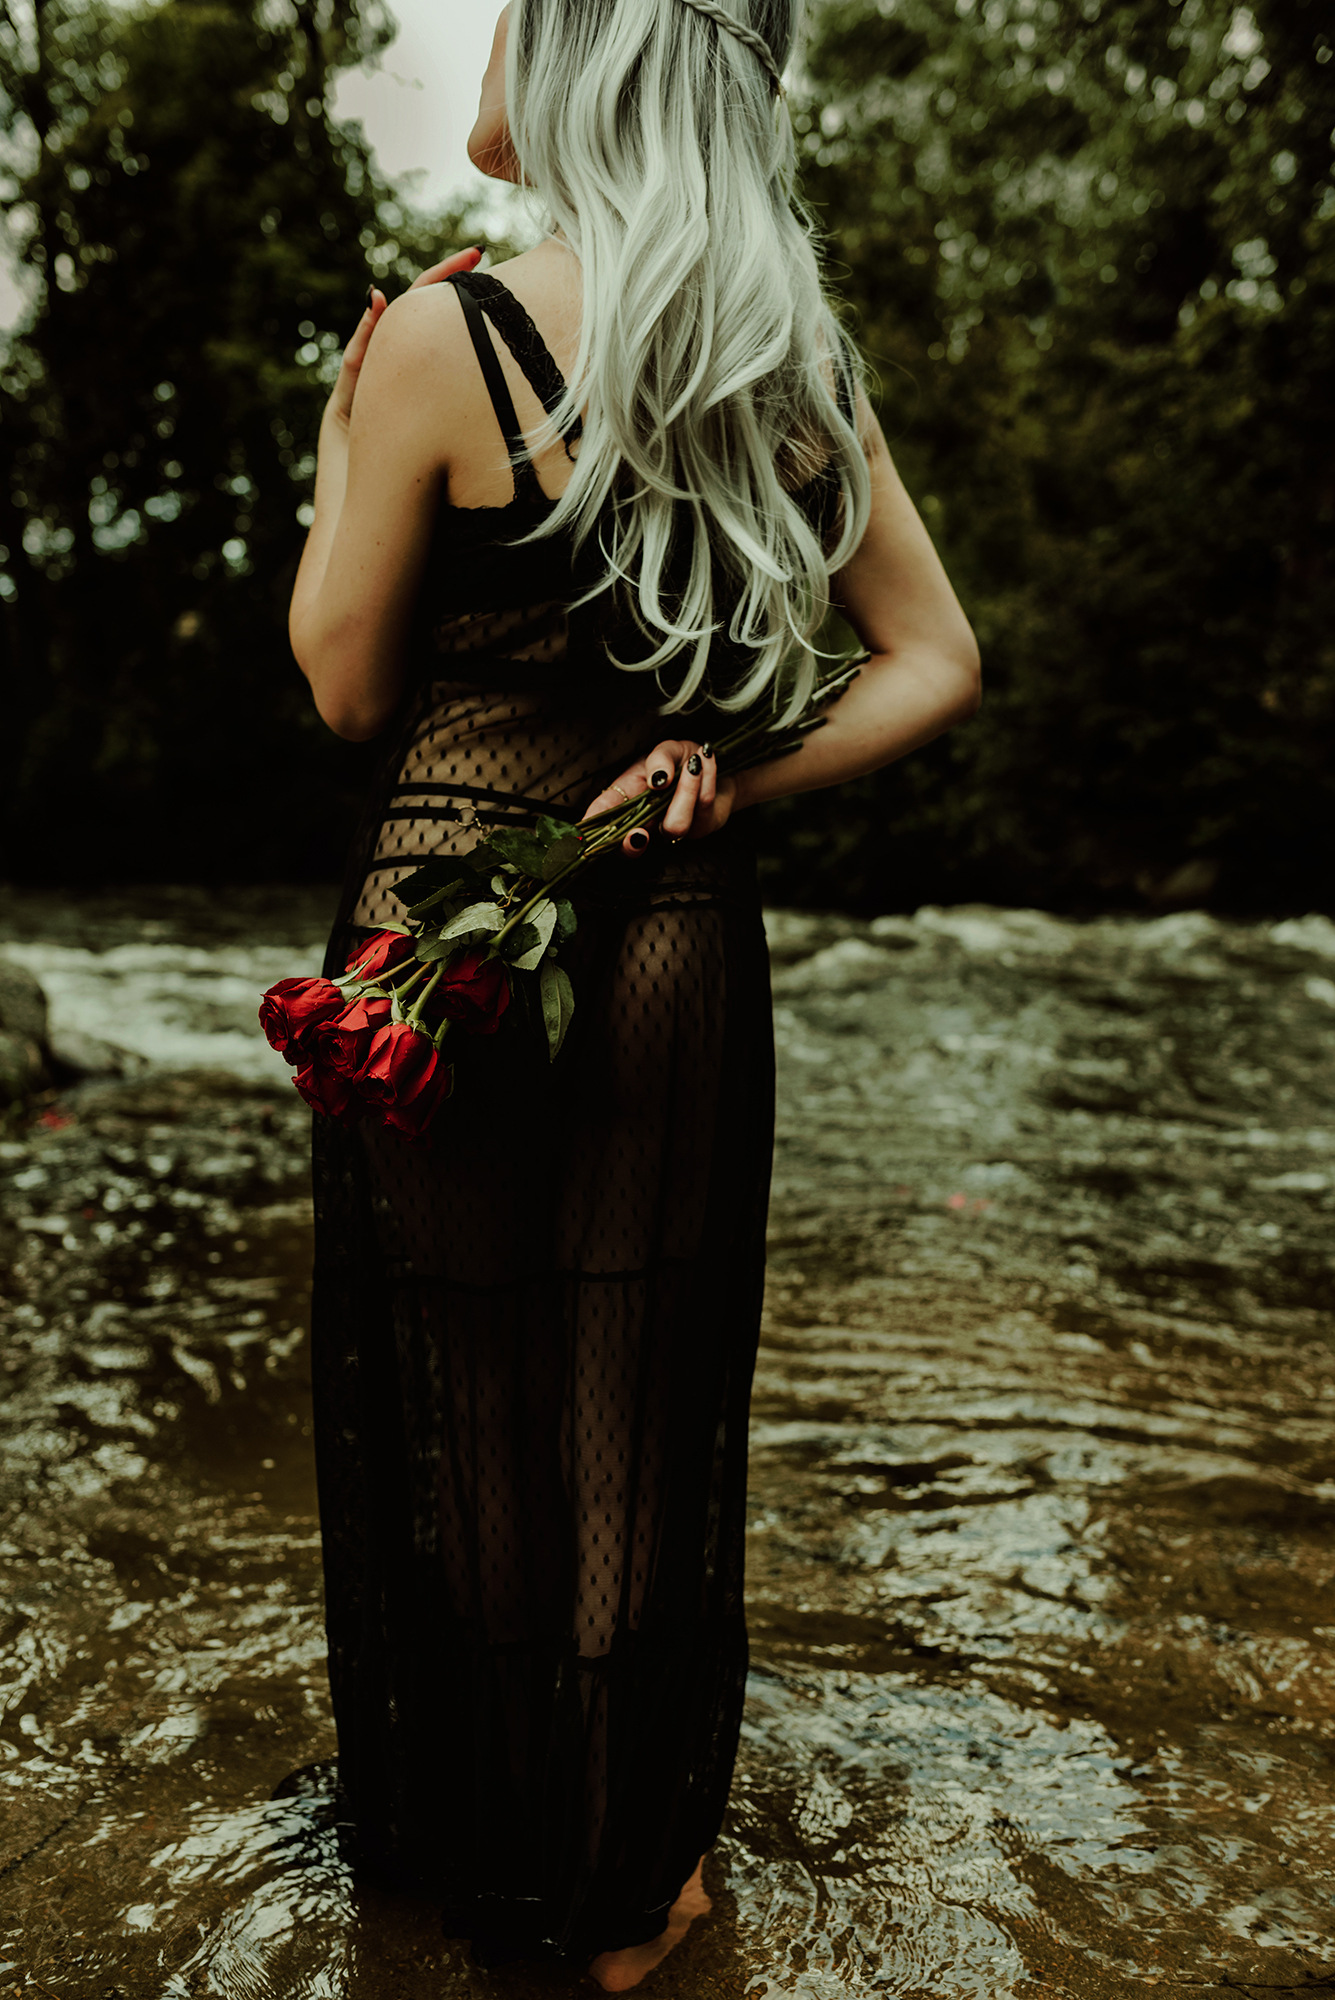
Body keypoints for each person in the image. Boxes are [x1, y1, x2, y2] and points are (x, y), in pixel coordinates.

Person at [287, 0, 978, 1986]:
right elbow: (933, 660)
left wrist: (347, 432)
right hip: (674, 941)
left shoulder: (442, 336)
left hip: (440, 938)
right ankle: (636, 1890)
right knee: (631, 1419)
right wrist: (732, 778)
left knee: (464, 1418)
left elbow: (340, 687)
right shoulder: (773, 358)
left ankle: (487, 1881)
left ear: (581, 63)